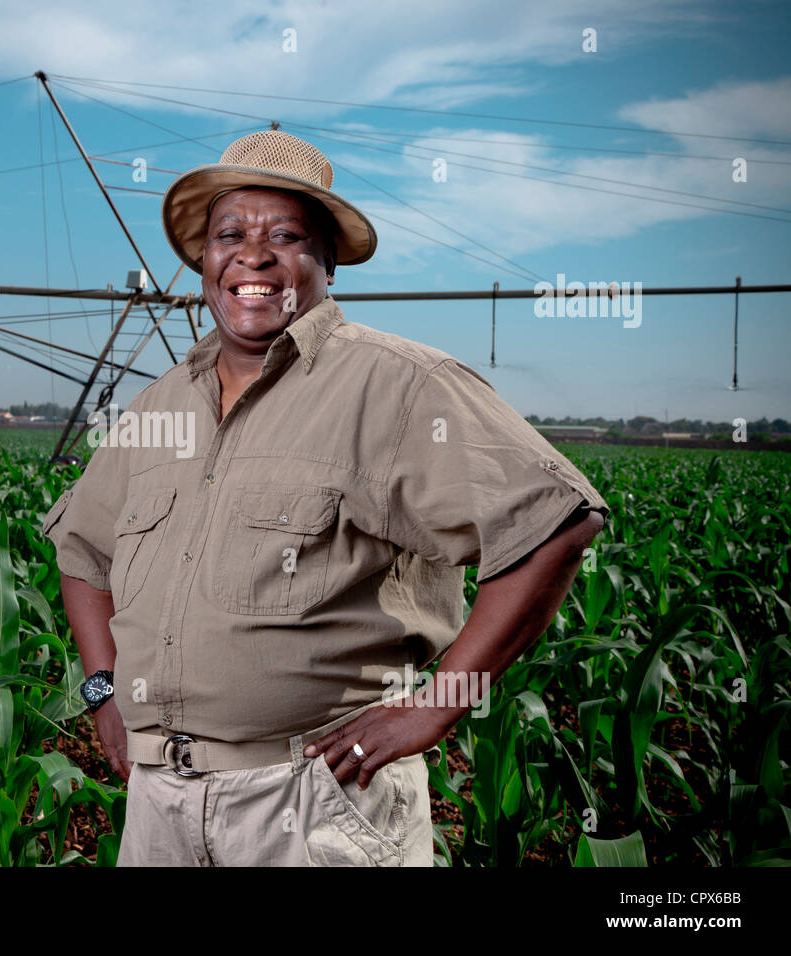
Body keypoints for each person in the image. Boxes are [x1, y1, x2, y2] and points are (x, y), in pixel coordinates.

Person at [40, 130, 608, 866]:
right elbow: (83, 552)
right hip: (161, 802)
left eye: (287, 236)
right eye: (229, 235)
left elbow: (556, 521)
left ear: (327, 261)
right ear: (204, 262)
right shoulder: (159, 405)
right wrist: (103, 693)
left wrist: (437, 704)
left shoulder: (398, 384)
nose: (253, 254)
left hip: (317, 799)